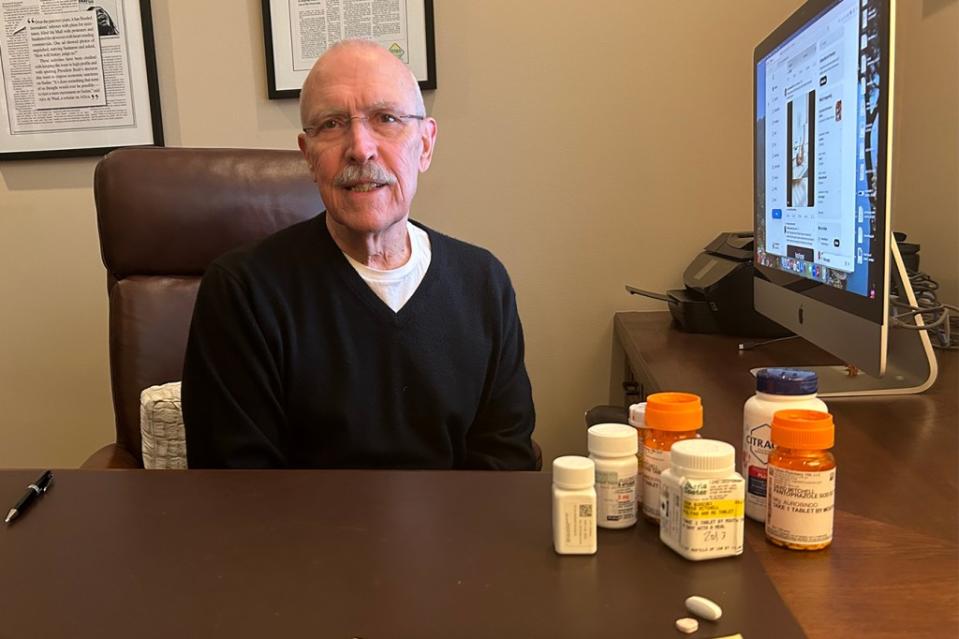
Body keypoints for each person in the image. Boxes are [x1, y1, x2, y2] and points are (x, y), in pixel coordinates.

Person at [181, 40, 537, 470]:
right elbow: (236, 489)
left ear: (425, 145)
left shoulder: (483, 283)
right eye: (331, 124)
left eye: (386, 119)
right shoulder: (243, 292)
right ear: (309, 156)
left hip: (454, 534)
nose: (360, 148)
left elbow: (505, 466)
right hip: (299, 538)